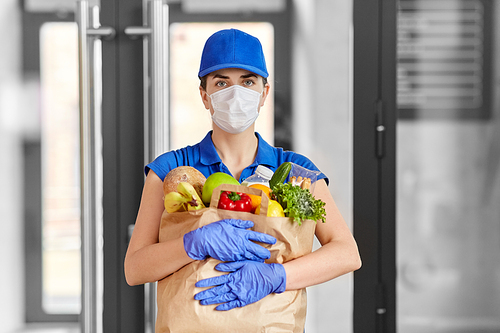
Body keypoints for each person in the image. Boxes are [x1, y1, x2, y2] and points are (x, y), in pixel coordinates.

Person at [124, 28, 361, 312]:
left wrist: (277, 277)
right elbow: (134, 269)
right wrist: (192, 244)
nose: (236, 93)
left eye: (247, 82)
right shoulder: (170, 170)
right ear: (204, 95)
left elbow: (347, 253)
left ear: (264, 94)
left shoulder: (296, 172)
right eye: (222, 83)